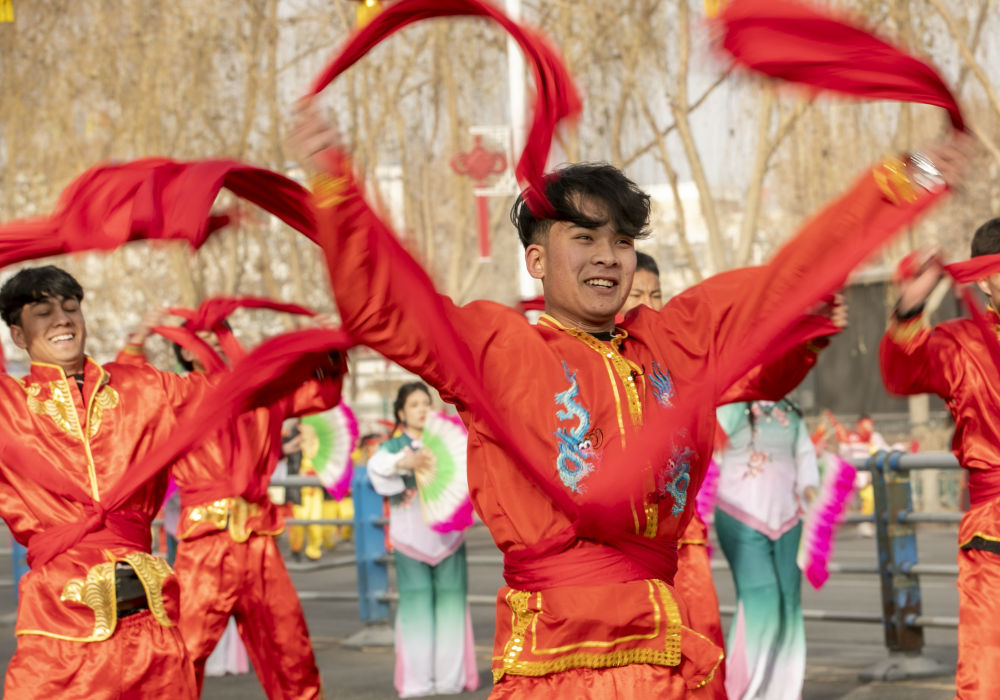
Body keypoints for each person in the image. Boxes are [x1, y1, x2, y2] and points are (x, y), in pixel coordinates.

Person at [291, 103, 967, 697]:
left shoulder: (672, 341)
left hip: (668, 648)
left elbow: (785, 279)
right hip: (557, 660)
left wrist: (909, 182)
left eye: (620, 241)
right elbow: (383, 307)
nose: (608, 257)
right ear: (536, 260)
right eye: (583, 238)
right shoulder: (496, 348)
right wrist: (335, 184)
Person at [0, 265, 220, 698]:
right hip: (59, 631)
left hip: (151, 625)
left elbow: (230, 396)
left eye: (71, 308)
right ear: (19, 336)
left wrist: (305, 360)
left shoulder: (144, 387)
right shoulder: (9, 408)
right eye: (42, 312)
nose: (63, 319)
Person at [117, 310, 344, 699]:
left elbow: (322, 393)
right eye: (199, 338)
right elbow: (127, 391)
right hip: (206, 547)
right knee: (181, 654)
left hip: (260, 545)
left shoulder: (264, 395)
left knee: (291, 652)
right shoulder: (177, 394)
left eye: (217, 334)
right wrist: (136, 341)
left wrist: (328, 344)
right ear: (186, 352)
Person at [879, 217, 1000, 699]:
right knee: (987, 673)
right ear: (985, 278)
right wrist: (910, 305)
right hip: (995, 533)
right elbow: (902, 371)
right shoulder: (959, 342)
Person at [367, 382, 479, 698]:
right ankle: (417, 682)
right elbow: (376, 469)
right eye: (414, 404)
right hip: (411, 541)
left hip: (450, 539)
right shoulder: (393, 447)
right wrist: (404, 462)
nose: (421, 409)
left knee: (452, 607)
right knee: (415, 607)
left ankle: (450, 679)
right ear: (401, 412)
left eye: (425, 403)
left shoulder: (446, 441)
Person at [714, 398, 818, 700]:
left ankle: (783, 692)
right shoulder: (731, 408)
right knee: (762, 598)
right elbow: (704, 451)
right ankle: (742, 691)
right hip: (740, 515)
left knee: (788, 604)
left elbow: (805, 460)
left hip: (788, 518)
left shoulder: (792, 413)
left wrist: (813, 489)